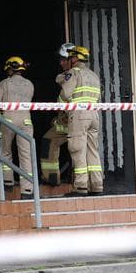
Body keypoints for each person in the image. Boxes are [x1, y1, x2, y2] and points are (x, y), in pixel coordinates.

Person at [56, 43, 103, 196]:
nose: (67, 61)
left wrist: (62, 110)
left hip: (79, 115)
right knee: (92, 150)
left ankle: (81, 186)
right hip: (94, 115)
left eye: (69, 58)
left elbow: (64, 95)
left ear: (74, 59)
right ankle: (97, 185)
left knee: (77, 148)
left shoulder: (74, 73)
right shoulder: (93, 75)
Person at [0, 56, 36, 200]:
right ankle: (27, 190)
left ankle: (7, 182)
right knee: (26, 156)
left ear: (10, 68)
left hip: (8, 120)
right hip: (26, 121)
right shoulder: (29, 84)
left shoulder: (4, 83)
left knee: (5, 152)